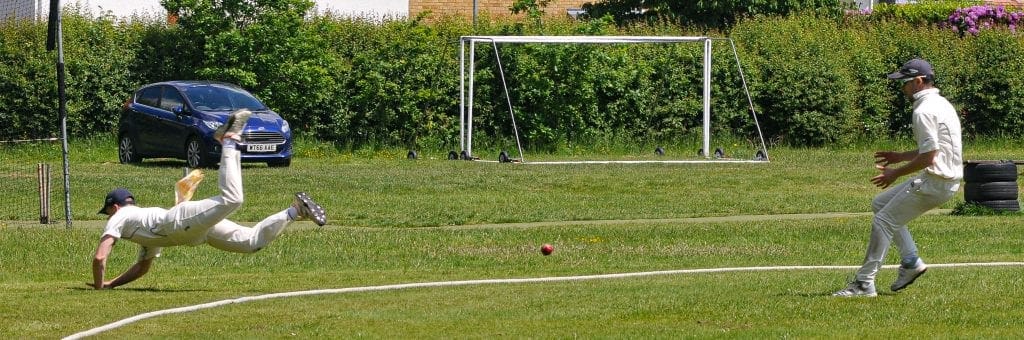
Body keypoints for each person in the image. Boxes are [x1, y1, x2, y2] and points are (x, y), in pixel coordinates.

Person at [90, 109, 327, 290]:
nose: (108, 215)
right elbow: (142, 268)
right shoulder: (142, 226)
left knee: (232, 199)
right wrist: (110, 285)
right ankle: (296, 211)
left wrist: (99, 284)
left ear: (115, 206)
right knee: (251, 242)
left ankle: (229, 140)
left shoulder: (121, 216)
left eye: (108, 210)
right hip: (190, 229)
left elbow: (101, 256)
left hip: (180, 223)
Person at [833, 58, 963, 297]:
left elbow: (929, 156)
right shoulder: (941, 103)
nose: (902, 88)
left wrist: (895, 173)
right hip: (944, 181)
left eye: (905, 83)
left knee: (883, 221)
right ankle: (911, 261)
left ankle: (864, 283)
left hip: (936, 182)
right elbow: (934, 148)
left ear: (919, 81)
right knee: (880, 204)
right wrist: (900, 156)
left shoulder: (924, 110)